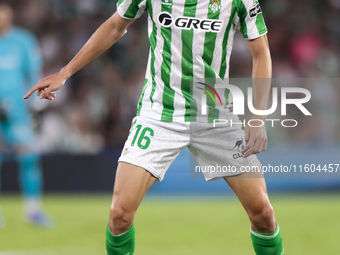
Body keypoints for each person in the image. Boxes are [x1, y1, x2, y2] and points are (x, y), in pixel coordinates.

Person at [25, 0, 284, 253]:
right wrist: (65, 71)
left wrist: (258, 117)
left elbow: (261, 54)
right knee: (119, 215)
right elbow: (116, 26)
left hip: (215, 118)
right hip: (159, 115)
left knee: (262, 213)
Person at [0, 3, 52, 228]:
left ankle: (32, 210)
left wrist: (37, 108)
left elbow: (34, 74)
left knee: (30, 156)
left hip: (16, 112)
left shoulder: (23, 41)